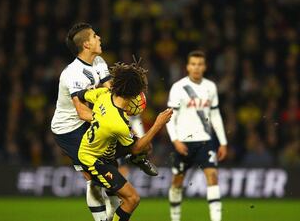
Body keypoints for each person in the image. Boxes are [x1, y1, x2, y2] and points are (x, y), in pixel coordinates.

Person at [51, 23, 156, 221]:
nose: (99, 37)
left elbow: (112, 91)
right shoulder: (72, 74)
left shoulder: (98, 61)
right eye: (94, 36)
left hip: (91, 122)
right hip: (69, 129)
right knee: (94, 178)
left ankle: (135, 158)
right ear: (86, 45)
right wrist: (109, 119)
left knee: (110, 173)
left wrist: (127, 101)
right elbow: (82, 111)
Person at [77, 61, 173, 221]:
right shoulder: (118, 123)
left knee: (145, 146)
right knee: (132, 199)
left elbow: (81, 95)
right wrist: (158, 124)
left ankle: (136, 160)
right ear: (133, 93)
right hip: (95, 159)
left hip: (105, 146)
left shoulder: (104, 94)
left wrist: (95, 115)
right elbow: (135, 147)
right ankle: (136, 159)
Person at [166, 50, 228, 221]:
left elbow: (215, 115)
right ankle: (175, 217)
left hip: (206, 141)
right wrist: (175, 140)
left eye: (200, 64)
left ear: (205, 67)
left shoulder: (211, 87)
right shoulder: (178, 87)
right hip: (184, 142)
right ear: (187, 66)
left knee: (213, 177)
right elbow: (170, 117)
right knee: (177, 182)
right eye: (193, 64)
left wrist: (222, 142)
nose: (196, 68)